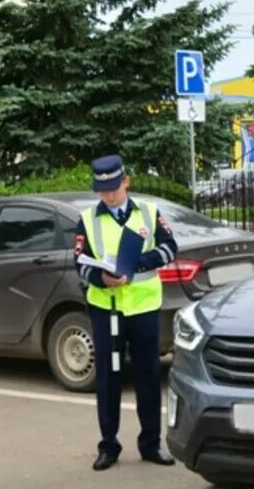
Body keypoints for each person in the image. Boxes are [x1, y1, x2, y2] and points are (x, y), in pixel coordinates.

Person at [73, 154, 180, 471]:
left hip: (144, 307)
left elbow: (170, 247)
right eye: (101, 189)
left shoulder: (148, 212)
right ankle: (108, 446)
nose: (108, 195)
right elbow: (79, 261)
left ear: (126, 182)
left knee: (147, 376)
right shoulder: (89, 219)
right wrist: (100, 278)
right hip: (106, 309)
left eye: (113, 188)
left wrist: (139, 264)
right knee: (108, 377)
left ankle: (151, 444)